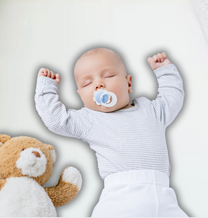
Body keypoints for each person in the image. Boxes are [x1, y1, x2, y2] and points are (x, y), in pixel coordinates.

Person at [34, 47, 188, 217]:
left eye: (108, 76)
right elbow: (56, 120)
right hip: (120, 197)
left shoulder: (151, 111)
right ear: (81, 97)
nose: (99, 84)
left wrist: (164, 70)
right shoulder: (89, 119)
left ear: (128, 83)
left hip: (163, 196)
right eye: (87, 83)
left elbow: (172, 98)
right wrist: (47, 87)